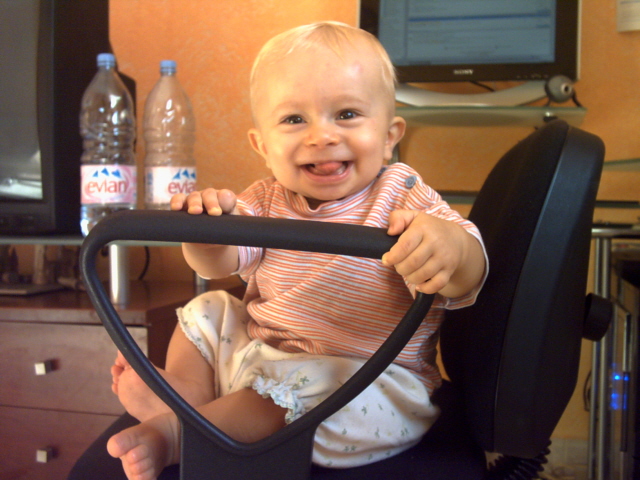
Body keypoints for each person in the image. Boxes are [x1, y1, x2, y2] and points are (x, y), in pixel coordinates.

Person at [106, 21, 487, 480]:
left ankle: (174, 434)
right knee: (209, 306)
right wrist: (206, 235)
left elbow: (470, 272)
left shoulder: (402, 195)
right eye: (294, 119)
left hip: (364, 387)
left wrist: (451, 249)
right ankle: (188, 397)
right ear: (262, 146)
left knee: (305, 386)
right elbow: (218, 264)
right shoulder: (264, 200)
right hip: (262, 359)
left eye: (346, 114)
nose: (321, 136)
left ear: (390, 136)